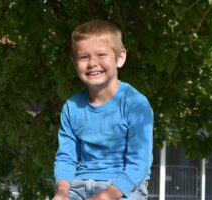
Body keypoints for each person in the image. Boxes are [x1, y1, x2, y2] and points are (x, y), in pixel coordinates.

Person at [52, 19, 153, 200]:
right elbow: (66, 158)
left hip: (124, 188)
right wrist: (62, 191)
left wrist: (106, 196)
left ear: (120, 58)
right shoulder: (72, 107)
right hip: (79, 186)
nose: (92, 63)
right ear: (75, 64)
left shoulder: (136, 104)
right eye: (84, 57)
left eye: (101, 55)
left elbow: (139, 164)